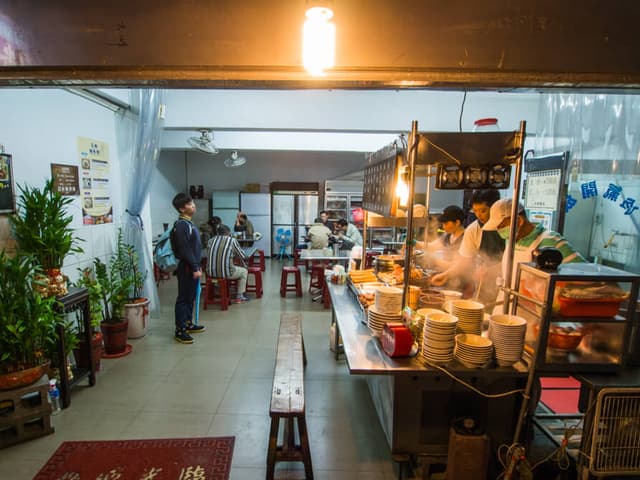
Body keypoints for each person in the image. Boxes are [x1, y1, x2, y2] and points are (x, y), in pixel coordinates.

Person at [483, 198, 584, 309]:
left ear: (519, 221)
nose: (499, 231)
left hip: (532, 311)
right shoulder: (511, 239)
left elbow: (583, 276)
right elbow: (510, 267)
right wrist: (490, 270)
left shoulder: (551, 240)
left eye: (501, 226)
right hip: (505, 304)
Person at [431, 190, 504, 306]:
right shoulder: (473, 230)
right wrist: (446, 275)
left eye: (483, 211)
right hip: (483, 285)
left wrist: (493, 269)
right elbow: (463, 261)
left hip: (508, 286)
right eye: (475, 211)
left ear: (496, 207)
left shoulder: (510, 227)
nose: (479, 215)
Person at [171, 193, 206, 344]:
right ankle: (180, 330)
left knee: (190, 297)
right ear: (181, 209)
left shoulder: (189, 224)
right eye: (188, 203)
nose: (193, 204)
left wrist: (198, 266)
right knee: (183, 299)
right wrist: (194, 267)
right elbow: (185, 249)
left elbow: (194, 248)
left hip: (192, 266)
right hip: (186, 267)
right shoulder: (181, 225)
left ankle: (188, 323)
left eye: (191, 202)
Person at [206, 224, 251, 303]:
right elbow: (242, 256)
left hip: (210, 273)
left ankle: (217, 292)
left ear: (218, 233)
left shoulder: (210, 241)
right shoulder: (232, 240)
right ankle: (239, 296)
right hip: (227, 273)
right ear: (228, 233)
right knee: (244, 271)